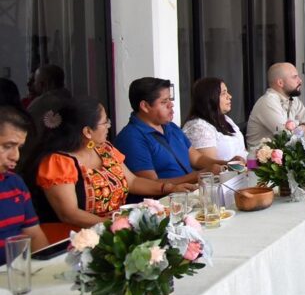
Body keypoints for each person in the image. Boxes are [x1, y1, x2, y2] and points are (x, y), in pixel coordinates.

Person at [33, 98, 194, 229]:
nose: (108, 126)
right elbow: (69, 214)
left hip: (118, 228)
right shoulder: (58, 163)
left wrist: (170, 188)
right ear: (88, 131)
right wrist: (113, 224)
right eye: (105, 123)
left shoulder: (105, 149)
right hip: (81, 238)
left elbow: (132, 182)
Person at [115, 77, 230, 185]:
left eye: (170, 99)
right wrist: (200, 175)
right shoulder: (131, 138)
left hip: (191, 191)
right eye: (164, 102)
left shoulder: (170, 126)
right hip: (167, 198)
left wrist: (228, 164)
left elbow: (197, 158)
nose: (171, 105)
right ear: (145, 106)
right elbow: (151, 184)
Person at [0, 106, 47, 261]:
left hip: (18, 271)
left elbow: (34, 235)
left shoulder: (15, 183)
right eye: (7, 146)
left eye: (19, 148)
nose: (16, 156)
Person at [247, 62, 305, 147]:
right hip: (261, 155)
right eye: (294, 77)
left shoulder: (293, 99)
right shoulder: (267, 102)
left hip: (286, 152)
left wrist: (304, 126)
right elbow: (288, 138)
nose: (300, 81)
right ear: (280, 83)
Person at [182, 77, 247, 162]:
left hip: (246, 169)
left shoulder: (226, 119)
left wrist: (257, 165)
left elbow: (243, 153)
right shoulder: (198, 127)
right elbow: (210, 167)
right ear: (210, 98)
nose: (229, 96)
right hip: (227, 170)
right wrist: (232, 165)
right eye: (223, 93)